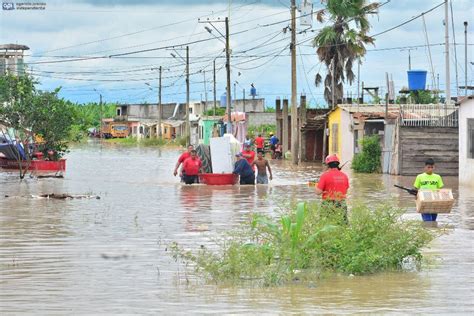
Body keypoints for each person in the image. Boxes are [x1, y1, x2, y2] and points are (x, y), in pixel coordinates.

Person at [315, 154, 350, 221]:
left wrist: (316, 184)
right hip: (342, 203)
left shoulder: (324, 176)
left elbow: (318, 192)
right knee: (342, 225)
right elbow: (345, 191)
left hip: (328, 204)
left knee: (325, 224)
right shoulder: (345, 176)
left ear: (328, 165)